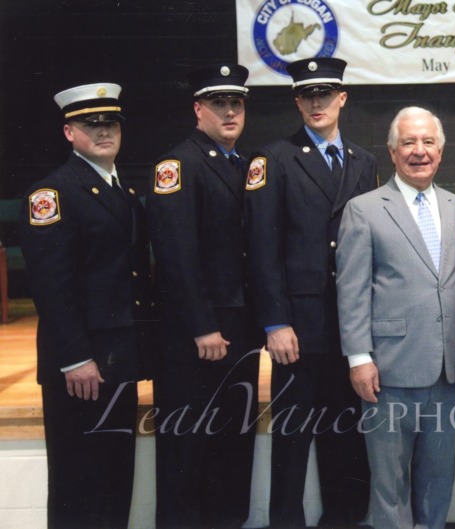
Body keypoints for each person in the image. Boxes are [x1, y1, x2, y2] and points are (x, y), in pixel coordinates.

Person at [244, 57, 376, 528]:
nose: (317, 102)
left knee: (346, 430)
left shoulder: (364, 161)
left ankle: (343, 518)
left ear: (342, 98)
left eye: (326, 93)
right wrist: (275, 322)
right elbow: (262, 248)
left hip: (350, 323)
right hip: (297, 326)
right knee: (293, 435)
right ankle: (286, 521)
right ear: (297, 101)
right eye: (308, 95)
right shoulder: (274, 159)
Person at [19, 82, 155, 528]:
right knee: (79, 480)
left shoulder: (120, 190)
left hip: (116, 358)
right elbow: (52, 287)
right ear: (68, 132)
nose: (103, 131)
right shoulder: (53, 194)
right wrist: (76, 357)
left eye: (110, 122)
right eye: (90, 124)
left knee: (115, 476)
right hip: (80, 366)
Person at [336, 107, 455, 529]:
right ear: (392, 152)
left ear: (441, 151)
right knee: (389, 485)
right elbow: (351, 290)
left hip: (447, 375)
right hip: (387, 373)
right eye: (408, 142)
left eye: (428, 142)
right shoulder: (365, 209)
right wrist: (359, 358)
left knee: (438, 480)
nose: (419, 151)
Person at [146, 63, 260, 528]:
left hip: (238, 327)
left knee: (233, 443)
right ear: (198, 109)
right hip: (197, 334)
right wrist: (202, 325)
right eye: (219, 104)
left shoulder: (242, 163)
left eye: (236, 103)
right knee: (187, 448)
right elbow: (176, 255)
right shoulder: (178, 165)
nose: (230, 112)